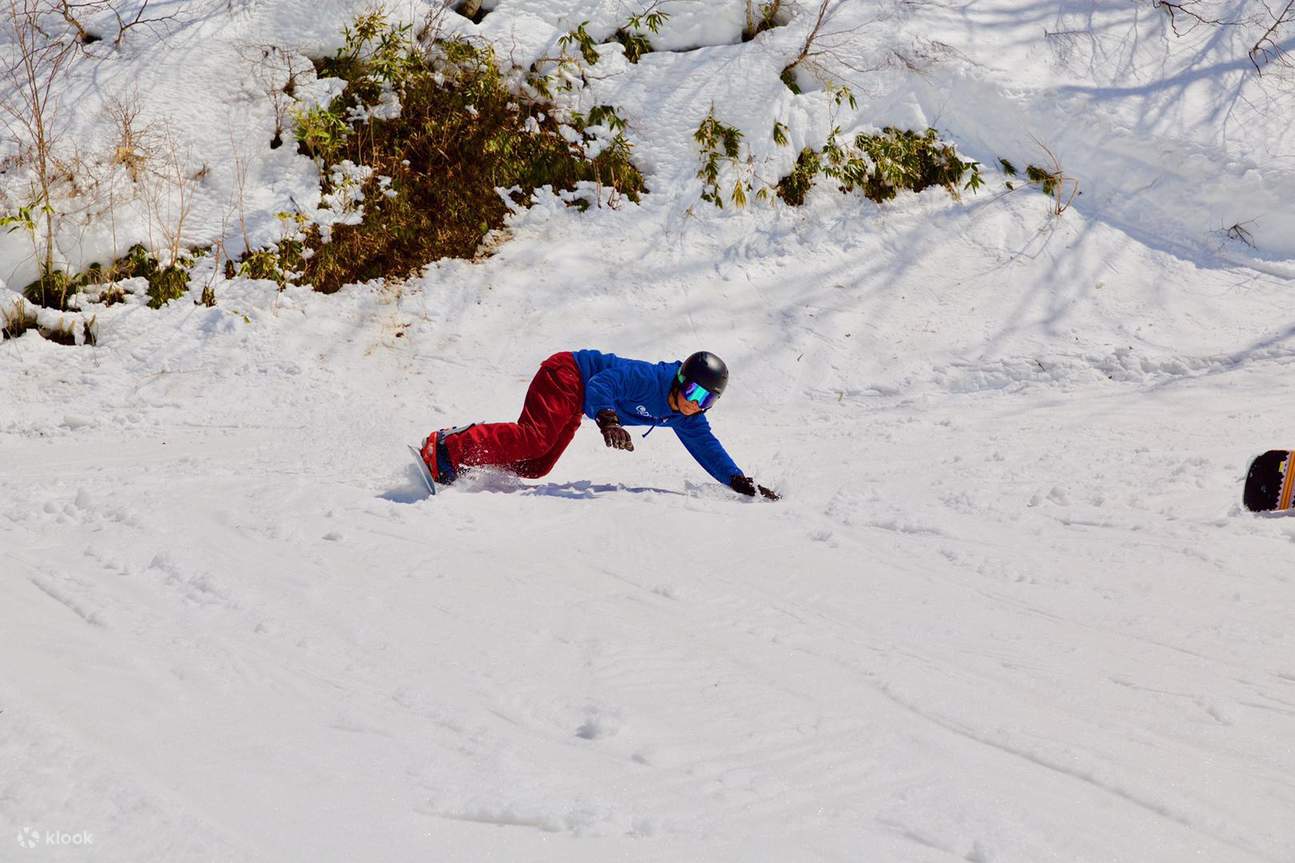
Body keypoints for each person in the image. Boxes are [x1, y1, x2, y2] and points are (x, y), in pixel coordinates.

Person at [419, 349, 780, 499]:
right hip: (568, 374)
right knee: (536, 437)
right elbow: (601, 384)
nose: (693, 402)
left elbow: (708, 449)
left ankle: (469, 462)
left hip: (578, 401)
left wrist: (738, 482)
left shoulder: (687, 417)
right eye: (691, 390)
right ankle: (448, 447)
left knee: (535, 465)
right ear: (679, 378)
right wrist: (608, 420)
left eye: (706, 400)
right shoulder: (649, 379)